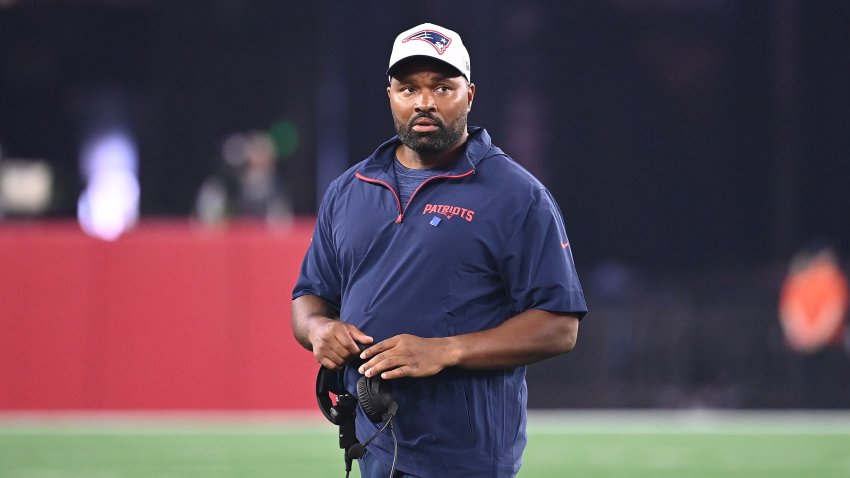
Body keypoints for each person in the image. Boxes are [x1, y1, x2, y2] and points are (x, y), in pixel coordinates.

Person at [291, 22, 587, 478]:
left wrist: (445, 350)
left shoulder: (516, 195)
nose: (424, 102)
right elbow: (309, 296)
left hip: (464, 454)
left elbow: (559, 326)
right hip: (373, 440)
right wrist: (318, 329)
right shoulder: (349, 189)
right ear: (389, 95)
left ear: (469, 95)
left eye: (441, 87)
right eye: (408, 88)